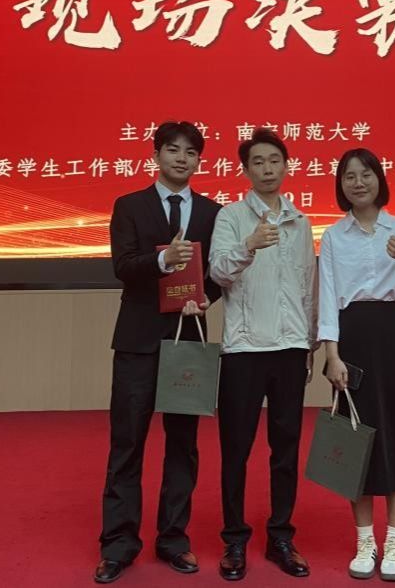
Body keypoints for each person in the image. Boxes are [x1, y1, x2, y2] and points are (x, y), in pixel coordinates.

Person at [95, 121, 223, 584]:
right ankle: (118, 544)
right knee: (127, 444)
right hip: (137, 342)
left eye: (190, 152)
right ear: (156, 155)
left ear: (199, 161)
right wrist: (164, 260)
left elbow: (217, 274)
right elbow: (123, 266)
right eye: (173, 150)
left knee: (183, 445)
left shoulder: (213, 212)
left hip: (188, 340)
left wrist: (205, 298)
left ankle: (173, 538)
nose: (181, 159)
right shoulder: (129, 205)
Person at [318, 148, 395, 582]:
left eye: (365, 174)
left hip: (393, 337)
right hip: (351, 339)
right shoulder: (333, 236)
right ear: (341, 185)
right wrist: (331, 354)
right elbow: (327, 298)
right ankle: (365, 540)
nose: (358, 182)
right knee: (356, 439)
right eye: (349, 176)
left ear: (379, 179)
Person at [209, 129, 317, 581]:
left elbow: (308, 287)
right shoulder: (231, 216)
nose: (268, 169)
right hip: (244, 350)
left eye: (275, 160)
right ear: (246, 170)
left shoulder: (301, 221)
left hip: (290, 350)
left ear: (286, 166)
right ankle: (234, 540)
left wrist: (310, 343)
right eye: (258, 161)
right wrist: (248, 246)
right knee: (235, 449)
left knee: (286, 449)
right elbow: (218, 271)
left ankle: (280, 537)